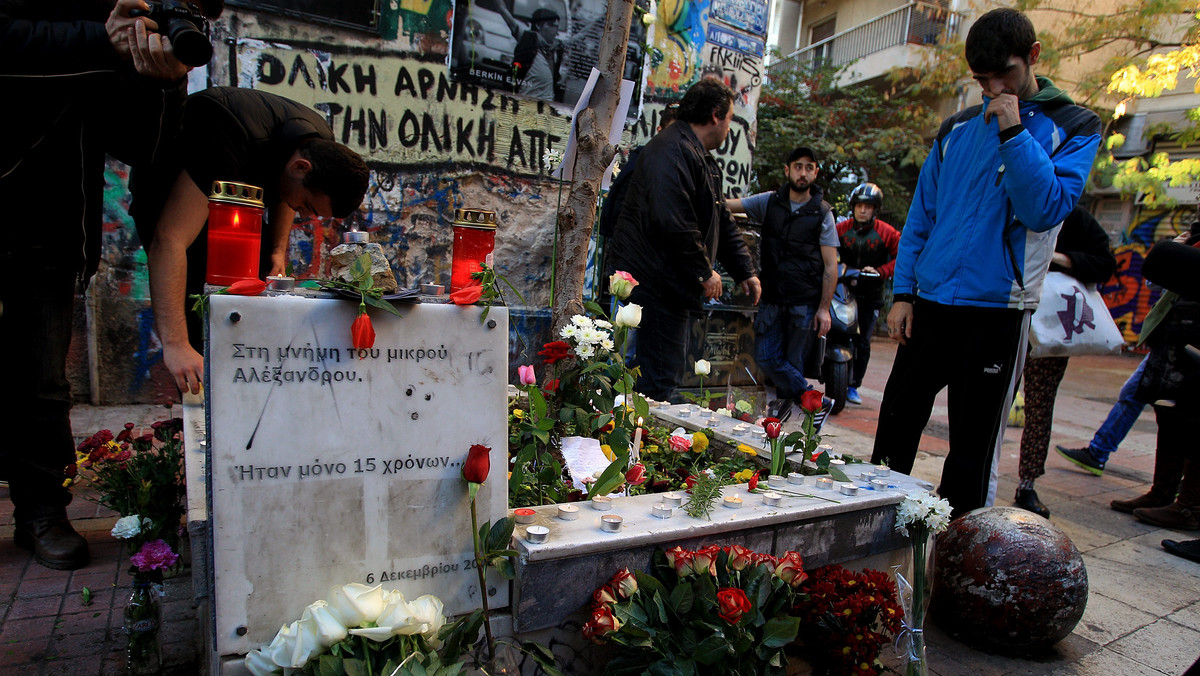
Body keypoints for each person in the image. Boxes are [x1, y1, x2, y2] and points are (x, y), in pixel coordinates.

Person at [0, 0, 222, 570]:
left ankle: (41, 512)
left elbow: (142, 148)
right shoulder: (99, 25)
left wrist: (166, 84)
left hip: (49, 225)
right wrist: (99, 40)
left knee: (42, 381)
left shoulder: (122, 27)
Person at [869, 8, 1101, 518]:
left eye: (1007, 75)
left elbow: (1044, 208)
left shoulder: (1076, 125)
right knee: (895, 425)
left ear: (1033, 57)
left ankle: (960, 560)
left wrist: (1015, 133)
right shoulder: (955, 129)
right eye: (982, 80)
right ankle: (871, 531)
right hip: (929, 305)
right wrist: (903, 294)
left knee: (972, 451)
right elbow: (921, 218)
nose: (995, 88)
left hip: (997, 311)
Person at [137, 87, 370, 396]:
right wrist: (176, 345)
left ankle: (245, 399)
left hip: (240, 203)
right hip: (172, 192)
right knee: (198, 307)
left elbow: (288, 194)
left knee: (257, 291)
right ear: (301, 168)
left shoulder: (316, 143)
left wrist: (277, 251)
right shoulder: (224, 132)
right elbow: (169, 240)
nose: (302, 212)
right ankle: (203, 411)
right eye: (307, 206)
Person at [607, 78, 761, 401]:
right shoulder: (673, 150)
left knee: (660, 376)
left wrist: (744, 270)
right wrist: (704, 271)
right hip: (656, 287)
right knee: (658, 383)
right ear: (716, 115)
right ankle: (641, 446)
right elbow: (672, 219)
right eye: (731, 119)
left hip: (668, 286)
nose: (729, 129)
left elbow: (720, 217)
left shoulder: (696, 155)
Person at [1012, 205, 1117, 518]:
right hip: (1002, 313)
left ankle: (1027, 484)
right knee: (984, 399)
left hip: (1051, 324)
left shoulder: (1072, 214)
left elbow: (1104, 263)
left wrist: (1056, 257)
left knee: (1040, 405)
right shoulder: (1009, 202)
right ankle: (973, 472)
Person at [727, 147, 837, 417]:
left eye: (809, 167)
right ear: (787, 170)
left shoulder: (822, 213)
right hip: (773, 298)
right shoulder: (770, 202)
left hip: (804, 302)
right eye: (798, 166)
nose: (803, 173)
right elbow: (731, 206)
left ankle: (784, 421)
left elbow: (831, 266)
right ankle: (817, 402)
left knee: (793, 364)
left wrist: (824, 308)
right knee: (767, 357)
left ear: (816, 172)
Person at [1134, 235, 1200, 553]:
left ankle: (1188, 506)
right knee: (1173, 407)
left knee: (1190, 411)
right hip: (1180, 333)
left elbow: (1161, 260)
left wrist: (1176, 247)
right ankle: (1166, 493)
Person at [834, 183, 900, 406]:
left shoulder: (887, 233)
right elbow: (827, 250)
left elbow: (901, 258)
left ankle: (853, 385)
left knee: (862, 342)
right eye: (859, 206)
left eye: (868, 206)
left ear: (875, 209)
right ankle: (836, 377)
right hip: (843, 292)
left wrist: (881, 272)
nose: (863, 210)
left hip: (870, 296)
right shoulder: (841, 229)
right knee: (839, 333)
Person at [498, 5, 564, 101]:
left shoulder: (556, 48)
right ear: (538, 26)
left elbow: (576, 38)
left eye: (557, 26)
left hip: (547, 106)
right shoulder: (528, 39)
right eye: (551, 25)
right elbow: (505, 13)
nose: (555, 30)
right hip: (526, 102)